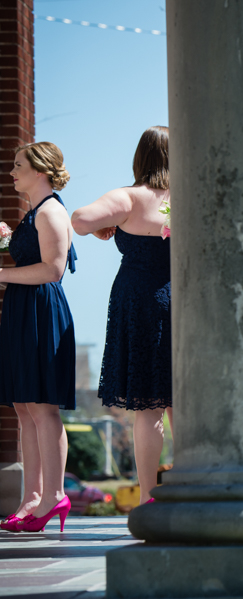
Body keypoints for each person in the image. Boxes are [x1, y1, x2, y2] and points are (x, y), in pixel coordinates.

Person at [71, 126, 172, 505]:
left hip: (138, 302)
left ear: (141, 157)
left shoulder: (128, 197)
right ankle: (196, 489)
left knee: (148, 409)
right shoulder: (185, 197)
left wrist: (103, 227)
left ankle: (147, 499)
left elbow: (80, 219)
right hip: (181, 298)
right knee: (184, 404)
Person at [0, 142, 76, 533]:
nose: (11, 171)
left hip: (41, 313)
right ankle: (32, 498)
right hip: (22, 311)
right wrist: (9, 240)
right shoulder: (35, 213)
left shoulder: (50, 211)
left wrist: (2, 273)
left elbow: (52, 270)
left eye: (17, 165)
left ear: (40, 171)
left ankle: (53, 497)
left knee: (42, 407)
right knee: (24, 407)